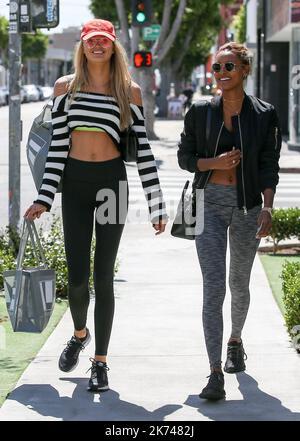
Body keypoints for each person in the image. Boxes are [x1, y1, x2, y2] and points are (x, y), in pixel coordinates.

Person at [24, 18, 168, 392]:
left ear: (113, 45)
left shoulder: (128, 91)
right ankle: (79, 332)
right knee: (76, 278)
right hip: (74, 184)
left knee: (103, 277)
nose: (98, 46)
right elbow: (57, 146)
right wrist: (44, 195)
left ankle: (100, 361)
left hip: (111, 184)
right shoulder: (64, 88)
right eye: (92, 40)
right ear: (82, 46)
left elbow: (144, 152)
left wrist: (156, 202)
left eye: (104, 40)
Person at [177, 42, 281, 400]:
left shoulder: (265, 114)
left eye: (229, 67)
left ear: (245, 70)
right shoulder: (200, 112)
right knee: (213, 287)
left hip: (247, 207)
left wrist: (267, 207)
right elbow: (185, 158)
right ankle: (214, 372)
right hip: (208, 203)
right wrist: (213, 164)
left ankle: (235, 339)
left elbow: (269, 164)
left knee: (239, 282)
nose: (221, 74)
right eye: (217, 68)